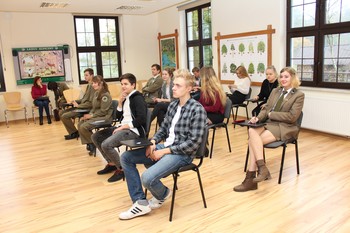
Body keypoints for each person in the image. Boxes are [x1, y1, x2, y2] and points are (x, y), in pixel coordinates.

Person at [118, 69, 207, 220]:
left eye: (178, 85)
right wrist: (153, 142)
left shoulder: (197, 109)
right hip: (166, 147)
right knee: (126, 157)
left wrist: (164, 151)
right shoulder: (173, 105)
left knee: (146, 177)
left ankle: (163, 193)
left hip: (182, 154)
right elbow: (163, 129)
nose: (173, 88)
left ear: (189, 88)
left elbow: (192, 144)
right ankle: (140, 202)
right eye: (174, 85)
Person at [233, 67, 304, 192]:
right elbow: (266, 109)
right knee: (251, 130)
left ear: (293, 78)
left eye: (286, 77)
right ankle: (262, 168)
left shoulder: (299, 95)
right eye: (281, 76)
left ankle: (250, 179)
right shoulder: (276, 91)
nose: (283, 79)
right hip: (270, 123)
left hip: (285, 126)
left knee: (252, 141)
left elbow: (292, 117)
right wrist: (257, 118)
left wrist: (272, 115)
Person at [91, 73, 147, 182]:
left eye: (126, 84)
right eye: (122, 84)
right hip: (122, 127)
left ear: (133, 85)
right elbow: (117, 117)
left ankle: (121, 169)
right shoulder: (126, 97)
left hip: (133, 131)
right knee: (96, 136)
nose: (123, 86)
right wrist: (120, 103)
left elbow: (141, 119)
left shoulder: (137, 98)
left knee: (106, 144)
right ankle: (112, 163)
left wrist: (124, 126)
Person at [78, 75, 113, 156]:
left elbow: (103, 111)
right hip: (97, 116)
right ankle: (91, 143)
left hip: (105, 117)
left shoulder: (105, 95)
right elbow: (94, 108)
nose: (92, 85)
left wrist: (91, 116)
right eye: (92, 83)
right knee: (80, 123)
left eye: (94, 83)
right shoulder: (97, 93)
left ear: (100, 84)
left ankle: (93, 144)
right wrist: (89, 115)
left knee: (84, 126)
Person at [60, 68, 95, 140]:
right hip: (82, 106)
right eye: (84, 75)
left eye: (86, 75)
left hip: (85, 109)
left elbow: (90, 103)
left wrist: (79, 106)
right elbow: (84, 99)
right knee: (61, 112)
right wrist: (74, 101)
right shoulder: (88, 85)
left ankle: (74, 133)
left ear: (92, 75)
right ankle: (74, 132)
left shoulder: (93, 86)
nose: (85, 77)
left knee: (64, 116)